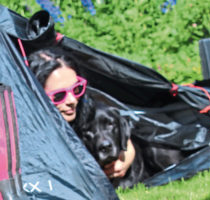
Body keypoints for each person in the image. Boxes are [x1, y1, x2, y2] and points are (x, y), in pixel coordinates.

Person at [27, 48, 135, 180]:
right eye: (59, 95)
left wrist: (124, 159)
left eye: (76, 88)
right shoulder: (25, 131)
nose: (72, 100)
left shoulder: (85, 106)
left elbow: (123, 134)